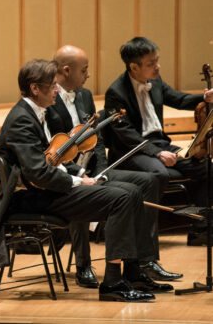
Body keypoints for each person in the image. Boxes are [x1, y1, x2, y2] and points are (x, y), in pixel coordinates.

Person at [0, 59, 172, 302]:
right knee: (121, 198)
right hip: (31, 198)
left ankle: (133, 272)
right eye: (53, 86)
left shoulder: (36, 112)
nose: (57, 90)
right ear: (35, 89)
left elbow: (53, 156)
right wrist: (79, 183)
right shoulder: (21, 120)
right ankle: (112, 282)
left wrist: (80, 173)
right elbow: (38, 173)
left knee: (132, 191)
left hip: (46, 191)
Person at [47, 45, 181, 285]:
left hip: (93, 168)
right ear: (67, 70)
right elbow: (50, 151)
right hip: (66, 175)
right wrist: (81, 175)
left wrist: (100, 171)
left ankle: (144, 261)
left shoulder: (85, 95)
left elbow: (95, 138)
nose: (89, 75)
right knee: (86, 193)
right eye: (85, 70)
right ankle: (83, 265)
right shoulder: (49, 99)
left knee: (148, 181)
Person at [104, 37, 213, 245]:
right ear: (134, 67)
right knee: (158, 173)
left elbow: (178, 99)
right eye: (151, 63)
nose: (157, 66)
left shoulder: (156, 81)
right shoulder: (116, 92)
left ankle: (200, 229)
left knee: (205, 167)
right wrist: (156, 153)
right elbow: (126, 134)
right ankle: (146, 238)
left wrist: (204, 98)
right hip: (133, 151)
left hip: (159, 144)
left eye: (157, 60)